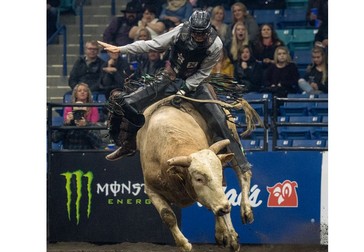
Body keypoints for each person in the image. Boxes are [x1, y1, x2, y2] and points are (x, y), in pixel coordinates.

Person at [98, 10, 252, 174]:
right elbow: (154, 44)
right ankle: (128, 145)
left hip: (196, 84)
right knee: (127, 103)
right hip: (169, 78)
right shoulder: (180, 31)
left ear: (208, 30)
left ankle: (240, 163)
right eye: (196, 32)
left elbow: (203, 72)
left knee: (219, 119)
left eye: (202, 33)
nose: (199, 36)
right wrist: (121, 49)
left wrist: (185, 89)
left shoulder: (216, 45)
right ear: (191, 28)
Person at [52, 83, 103, 149]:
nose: (80, 111)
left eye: (82, 108)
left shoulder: (91, 126)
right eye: (77, 108)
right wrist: (67, 124)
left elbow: (98, 144)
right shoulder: (69, 124)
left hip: (87, 154)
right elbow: (54, 139)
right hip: (70, 153)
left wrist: (85, 127)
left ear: (87, 110)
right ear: (72, 109)